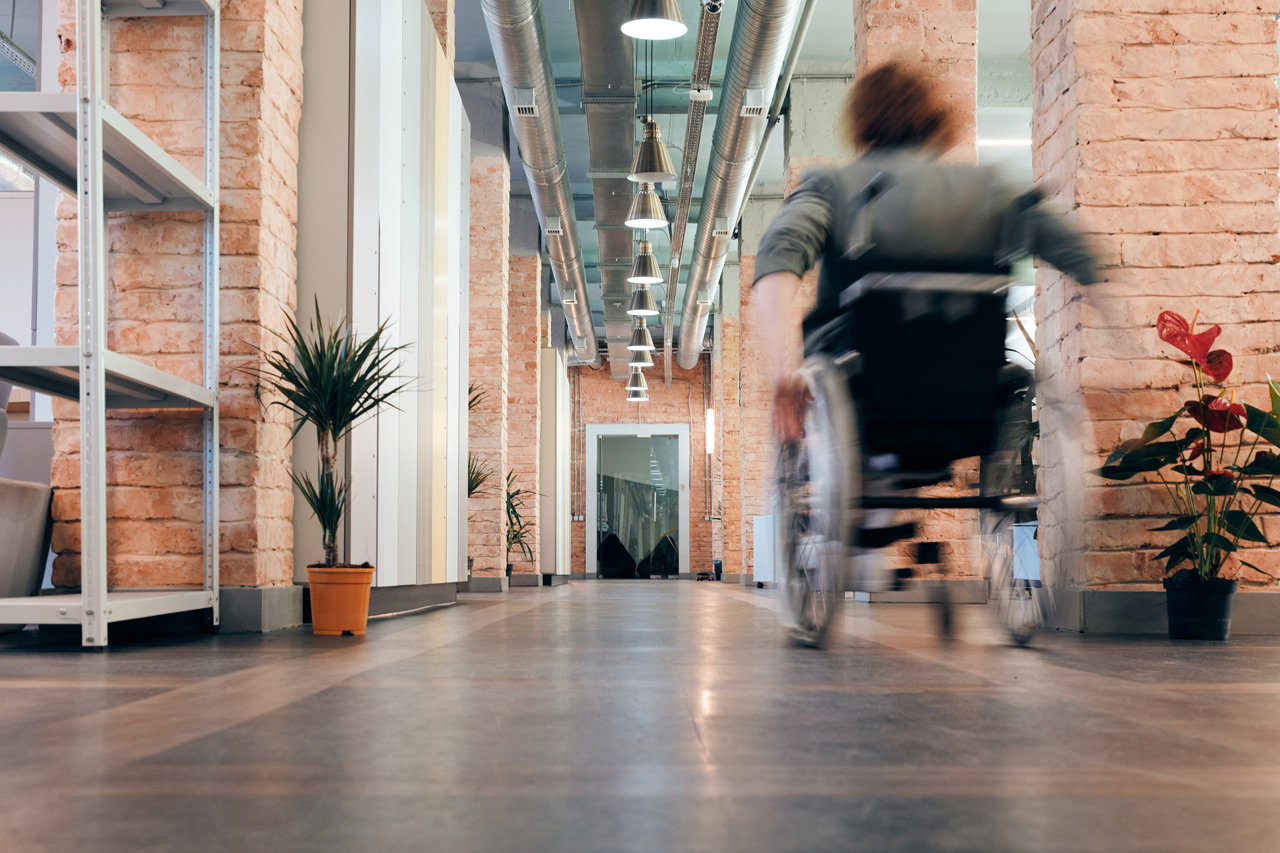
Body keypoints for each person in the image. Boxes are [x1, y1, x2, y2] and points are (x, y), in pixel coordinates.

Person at [753, 61, 1100, 444]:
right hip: (969, 384)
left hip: (862, 381)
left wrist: (782, 371)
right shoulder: (988, 188)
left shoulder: (833, 186)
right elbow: (1075, 250)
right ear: (931, 118)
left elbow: (778, 256)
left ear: (860, 121)